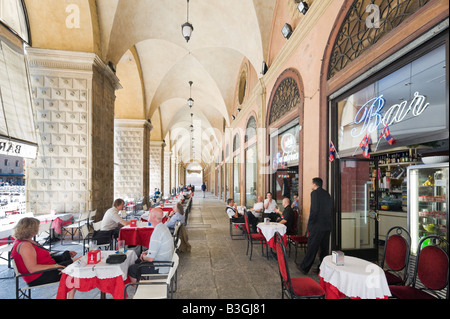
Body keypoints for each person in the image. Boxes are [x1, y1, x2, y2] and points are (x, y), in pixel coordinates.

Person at [10, 217, 79, 298]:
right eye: (37, 227)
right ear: (31, 229)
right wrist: (56, 266)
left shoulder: (27, 241)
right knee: (75, 269)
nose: (39, 228)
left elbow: (42, 257)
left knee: (77, 263)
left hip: (45, 269)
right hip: (38, 276)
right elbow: (32, 268)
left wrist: (66, 255)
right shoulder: (25, 245)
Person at [128, 208, 174, 283]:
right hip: (165, 261)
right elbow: (159, 247)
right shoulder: (163, 227)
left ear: (154, 217)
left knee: (132, 269)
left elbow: (150, 259)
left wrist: (143, 256)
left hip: (160, 266)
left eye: (150, 213)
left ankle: (139, 290)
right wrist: (147, 252)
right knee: (137, 261)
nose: (148, 214)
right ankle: (142, 282)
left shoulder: (156, 233)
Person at [298, 177, 332, 274]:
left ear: (314, 184)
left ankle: (304, 268)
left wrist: (310, 224)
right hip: (327, 226)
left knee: (312, 247)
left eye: (312, 184)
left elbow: (314, 210)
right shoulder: (327, 194)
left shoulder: (314, 193)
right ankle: (322, 269)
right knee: (324, 249)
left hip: (317, 226)